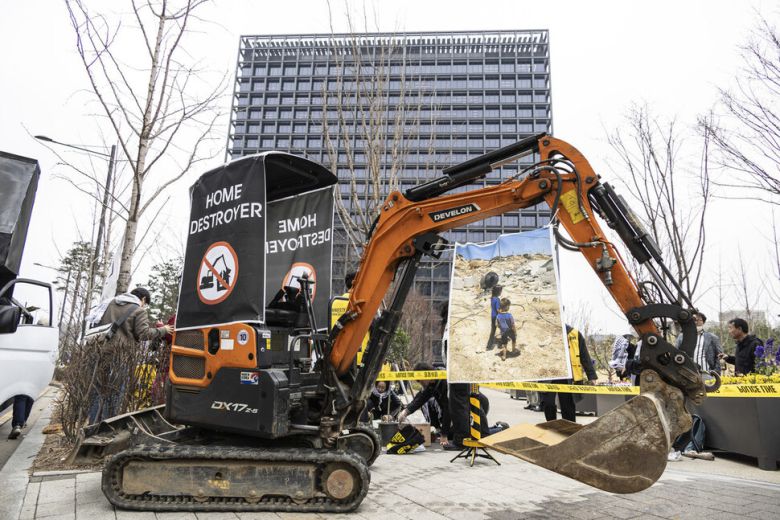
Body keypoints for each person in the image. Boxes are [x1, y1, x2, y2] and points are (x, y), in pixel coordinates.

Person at [87, 287, 173, 423]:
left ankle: (92, 425)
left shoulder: (109, 304)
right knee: (115, 394)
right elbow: (144, 334)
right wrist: (163, 330)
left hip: (98, 352)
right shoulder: (138, 310)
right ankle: (107, 427)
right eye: (145, 303)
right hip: (119, 356)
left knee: (97, 392)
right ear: (143, 299)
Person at [540, 325, 597, 422]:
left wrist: (591, 376)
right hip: (549, 375)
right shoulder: (544, 331)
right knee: (548, 403)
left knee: (567, 404)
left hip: (567, 376)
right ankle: (551, 425)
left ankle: (569, 428)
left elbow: (584, 356)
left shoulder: (574, 333)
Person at [397, 362, 459, 450]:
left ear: (427, 373)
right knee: (427, 402)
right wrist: (405, 412)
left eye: (420, 379)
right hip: (450, 414)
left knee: (452, 434)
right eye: (418, 380)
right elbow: (420, 399)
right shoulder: (432, 384)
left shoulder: (444, 381)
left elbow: (447, 409)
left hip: (460, 412)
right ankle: (439, 429)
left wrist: (444, 435)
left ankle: (450, 433)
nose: (420, 383)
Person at [485, 285, 503, 350]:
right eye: (501, 291)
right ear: (498, 292)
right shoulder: (497, 299)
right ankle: (501, 344)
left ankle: (489, 345)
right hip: (497, 317)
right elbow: (498, 310)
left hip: (493, 316)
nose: (501, 292)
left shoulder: (492, 298)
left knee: (493, 331)